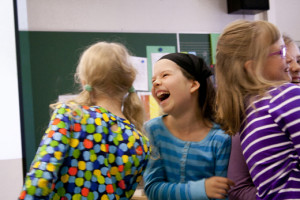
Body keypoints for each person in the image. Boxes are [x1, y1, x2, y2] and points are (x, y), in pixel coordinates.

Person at [19, 41, 150, 200]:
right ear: (128, 83)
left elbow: (40, 178)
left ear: (84, 82)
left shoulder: (70, 115)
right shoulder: (140, 142)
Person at [215, 19, 300, 199]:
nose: (290, 61)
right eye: (282, 52)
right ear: (253, 67)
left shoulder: (248, 115)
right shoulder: (285, 96)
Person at [143, 52, 234, 200]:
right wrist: (202, 189)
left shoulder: (220, 139)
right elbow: (152, 188)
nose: (156, 82)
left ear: (193, 84)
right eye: (153, 79)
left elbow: (223, 194)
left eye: (165, 75)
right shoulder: (153, 130)